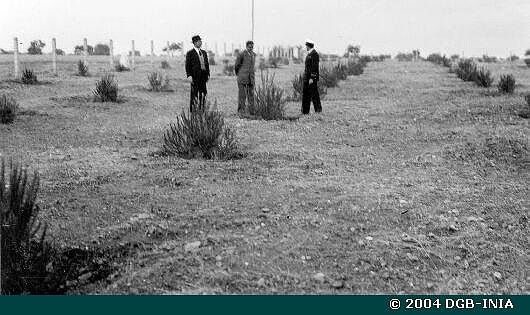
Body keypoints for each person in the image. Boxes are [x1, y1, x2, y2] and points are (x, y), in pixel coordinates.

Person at [185, 35, 210, 112]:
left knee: (203, 94)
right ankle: (193, 111)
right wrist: (189, 75)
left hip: (203, 77)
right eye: (199, 41)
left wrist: (208, 74)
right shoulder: (190, 53)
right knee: (194, 94)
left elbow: (207, 64)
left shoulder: (204, 52)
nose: (200, 42)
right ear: (195, 43)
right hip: (195, 77)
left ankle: (202, 110)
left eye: (201, 41)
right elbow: (187, 65)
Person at [234, 41, 256, 113]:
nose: (251, 48)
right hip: (242, 78)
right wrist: (239, 74)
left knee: (251, 95)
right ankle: (241, 111)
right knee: (242, 95)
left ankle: (251, 111)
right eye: (249, 47)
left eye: (252, 47)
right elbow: (237, 65)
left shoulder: (253, 55)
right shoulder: (241, 54)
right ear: (246, 47)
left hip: (250, 78)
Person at [302, 39, 321, 114]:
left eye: (306, 45)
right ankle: (305, 111)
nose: (306, 47)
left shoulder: (314, 54)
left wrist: (312, 78)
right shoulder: (310, 54)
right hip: (307, 78)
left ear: (308, 46)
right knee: (306, 95)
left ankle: (318, 110)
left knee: (314, 95)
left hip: (311, 79)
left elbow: (314, 67)